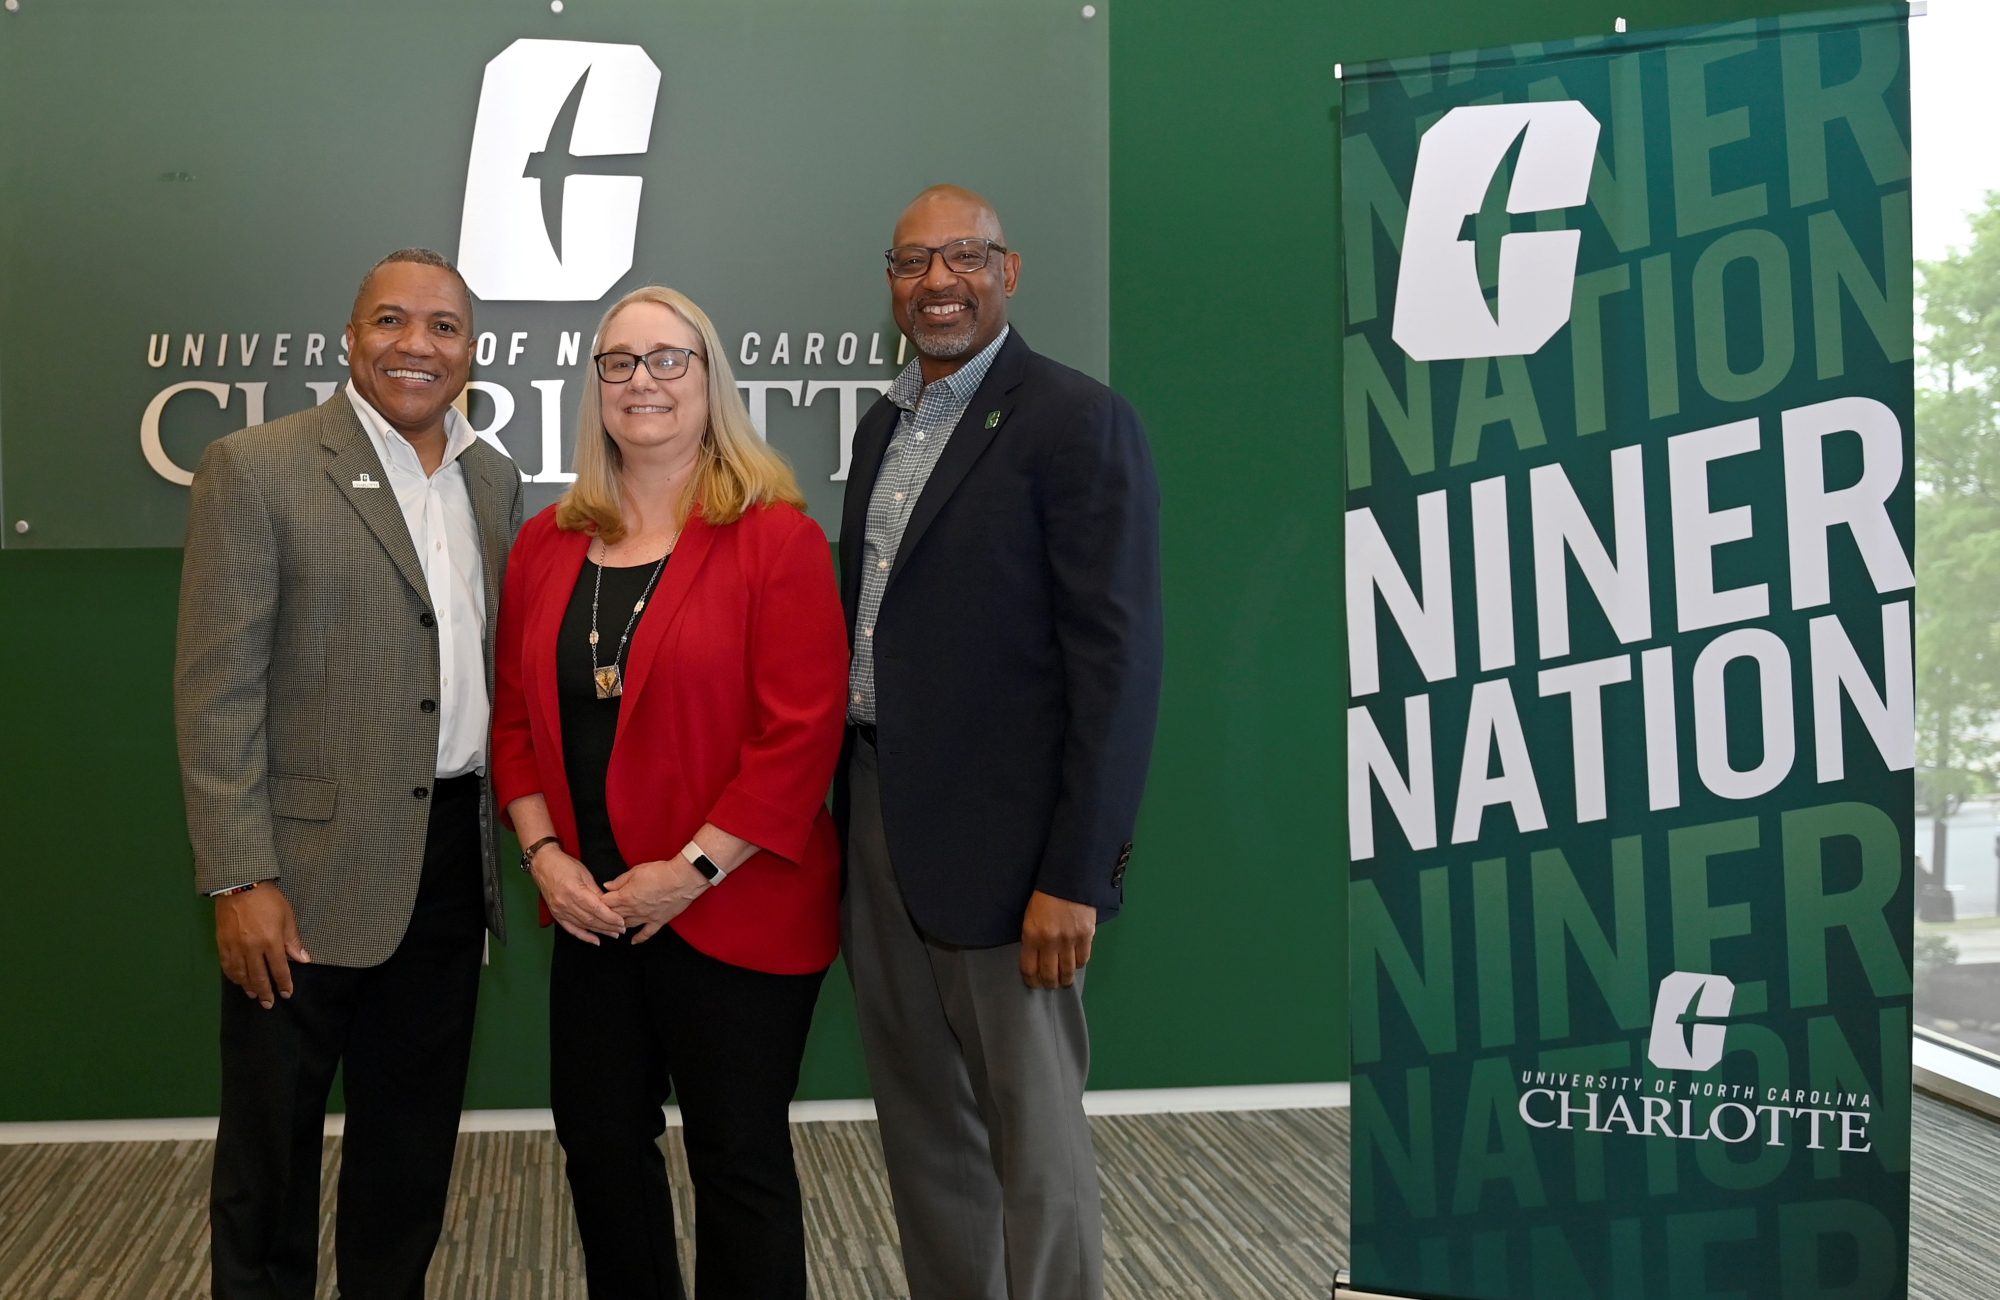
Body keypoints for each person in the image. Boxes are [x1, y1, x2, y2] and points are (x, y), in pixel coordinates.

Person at [174, 247, 524, 1298]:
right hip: (300, 874)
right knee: (269, 1157)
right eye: (390, 321)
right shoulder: (260, 466)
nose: (416, 345)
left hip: (451, 862)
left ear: (473, 351)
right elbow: (215, 691)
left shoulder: (494, 479)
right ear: (349, 336)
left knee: (409, 1149)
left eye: (443, 327)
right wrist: (240, 877)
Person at [836, 185, 1164, 1299]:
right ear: (889, 282)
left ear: (1008, 271)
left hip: (1010, 854)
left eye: (963, 258)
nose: (938, 282)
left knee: (1035, 1137)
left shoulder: (1074, 420)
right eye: (913, 261)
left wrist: (1077, 873)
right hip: (878, 820)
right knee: (923, 1123)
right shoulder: (883, 423)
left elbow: (1115, 665)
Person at [490, 285, 847, 1300]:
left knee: (736, 1164)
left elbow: (799, 734)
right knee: (599, 1148)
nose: (641, 380)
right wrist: (544, 858)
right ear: (593, 386)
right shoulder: (545, 545)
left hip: (735, 906)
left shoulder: (774, 537)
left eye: (666, 359)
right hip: (590, 910)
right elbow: (513, 721)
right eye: (618, 362)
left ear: (708, 379)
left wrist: (688, 870)